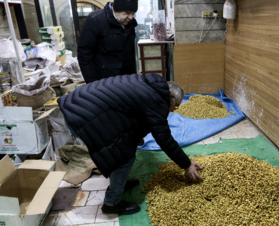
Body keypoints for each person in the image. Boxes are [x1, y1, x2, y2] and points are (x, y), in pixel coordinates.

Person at [57, 73, 203, 215]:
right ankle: (111, 203)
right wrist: (186, 164)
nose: (172, 110)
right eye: (175, 106)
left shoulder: (152, 85)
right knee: (124, 156)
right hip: (82, 117)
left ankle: (119, 183)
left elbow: (134, 114)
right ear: (170, 96)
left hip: (77, 102)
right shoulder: (156, 100)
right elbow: (164, 138)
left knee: (128, 144)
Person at [77, 0, 139, 83]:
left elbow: (129, 55)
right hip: (104, 82)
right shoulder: (95, 20)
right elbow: (84, 54)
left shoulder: (129, 23)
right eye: (127, 13)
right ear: (116, 8)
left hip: (126, 80)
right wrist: (92, 84)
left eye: (133, 13)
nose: (131, 17)